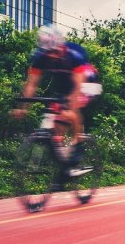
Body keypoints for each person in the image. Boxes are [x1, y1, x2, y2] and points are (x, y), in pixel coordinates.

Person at [12, 25, 101, 172]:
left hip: (87, 82)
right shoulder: (40, 57)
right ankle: (64, 164)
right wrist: (23, 108)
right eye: (49, 53)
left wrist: (70, 108)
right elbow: (31, 85)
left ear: (61, 46)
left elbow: (78, 88)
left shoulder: (73, 55)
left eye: (55, 52)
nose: (52, 56)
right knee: (55, 124)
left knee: (71, 109)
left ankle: (78, 146)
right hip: (65, 85)